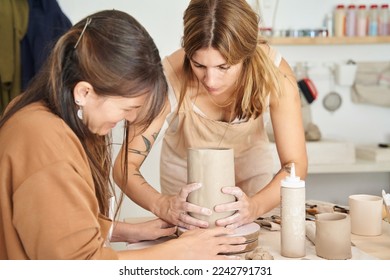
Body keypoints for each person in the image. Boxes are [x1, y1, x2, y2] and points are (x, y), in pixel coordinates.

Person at [0, 9, 246, 260]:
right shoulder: (43, 143)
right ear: (84, 92)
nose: (129, 119)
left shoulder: (37, 114)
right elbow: (79, 267)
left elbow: (54, 220)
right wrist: (182, 250)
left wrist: (126, 231)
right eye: (127, 108)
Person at [114, 0, 308, 231]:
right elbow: (124, 166)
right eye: (198, 65)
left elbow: (295, 165)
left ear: (246, 55)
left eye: (223, 67)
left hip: (253, 171)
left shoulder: (274, 75)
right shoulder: (167, 79)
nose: (210, 80)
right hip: (186, 177)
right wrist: (162, 205)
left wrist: (255, 207)